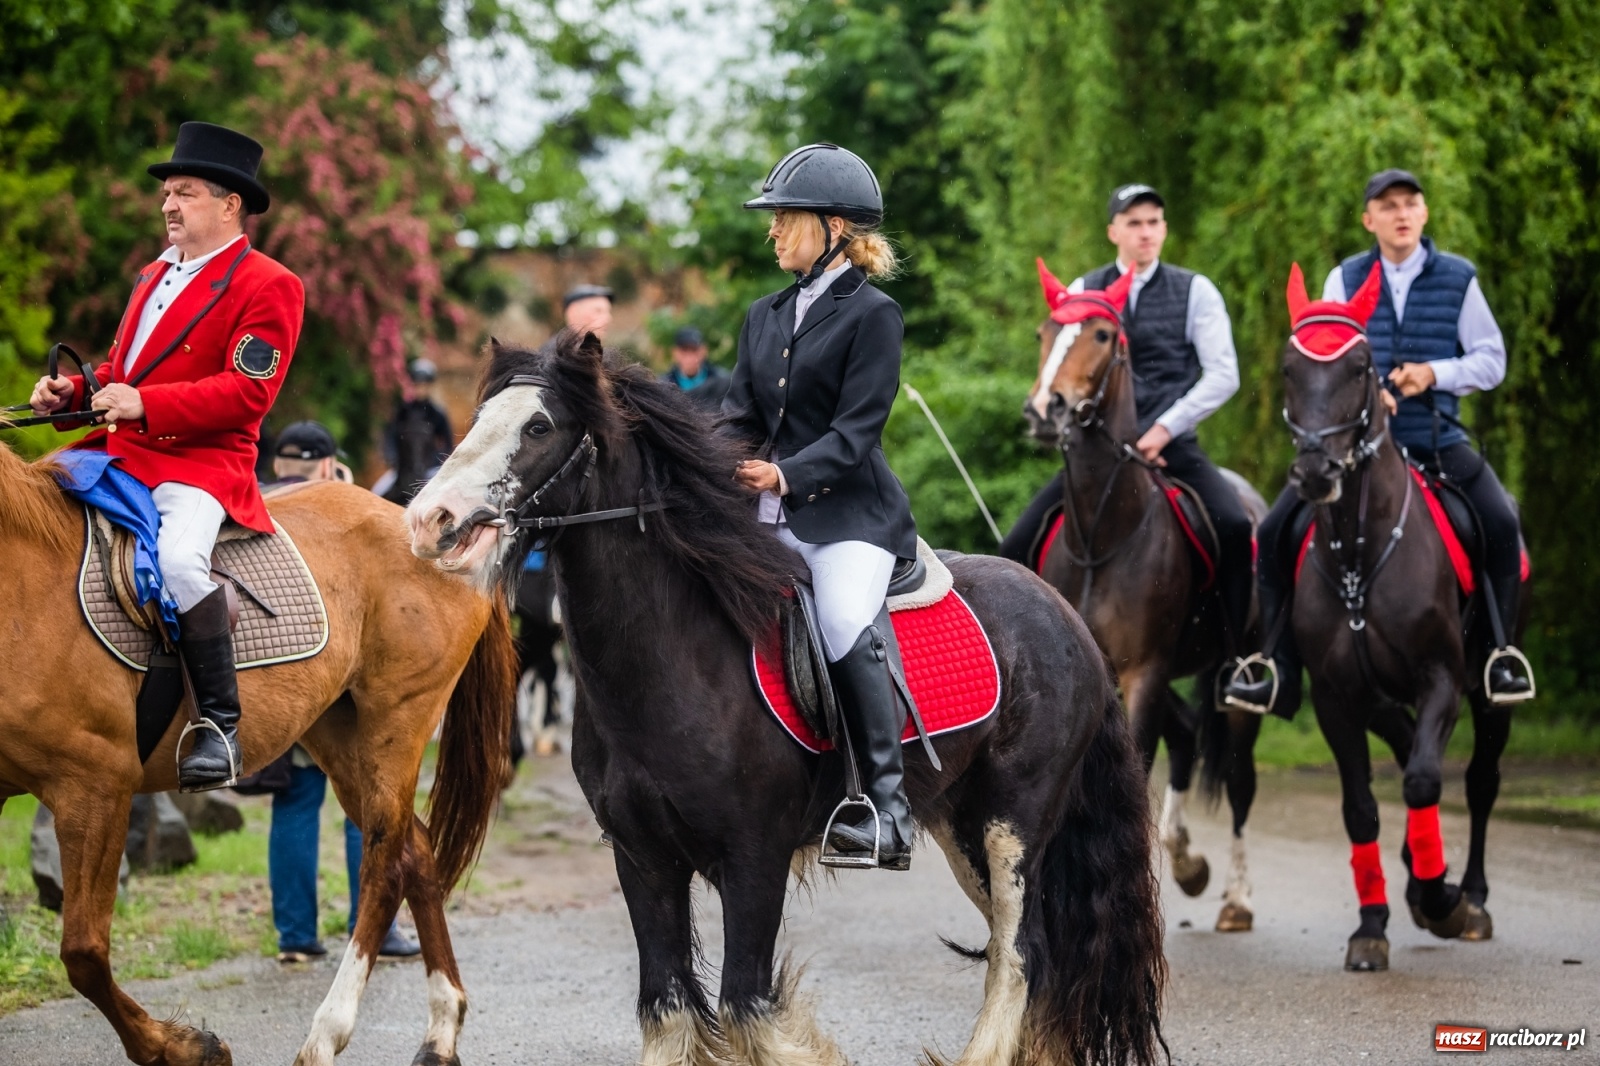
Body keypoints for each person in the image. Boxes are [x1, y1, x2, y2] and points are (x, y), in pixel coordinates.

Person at [29, 121, 304, 791]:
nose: (168, 206)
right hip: (119, 452)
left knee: (181, 563)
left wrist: (147, 406)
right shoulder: (155, 274)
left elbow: (249, 392)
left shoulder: (269, 284)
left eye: (183, 192)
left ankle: (218, 723)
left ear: (228, 203)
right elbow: (126, 369)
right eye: (167, 194)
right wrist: (75, 393)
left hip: (201, 463)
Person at [1225, 169, 1532, 711]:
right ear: (1369, 220)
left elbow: (1492, 360)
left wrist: (1433, 374)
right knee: (1274, 531)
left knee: (1502, 522)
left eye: (1411, 203)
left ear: (1424, 213)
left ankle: (1499, 655)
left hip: (1435, 437)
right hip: (1354, 450)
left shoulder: (1459, 278)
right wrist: (1370, 398)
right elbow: (1327, 358)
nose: (1402, 214)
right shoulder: (1343, 279)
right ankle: (1273, 665)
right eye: (1388, 206)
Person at [725, 143, 919, 870]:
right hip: (763, 513)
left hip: (848, 514)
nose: (772, 232)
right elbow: (737, 415)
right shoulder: (764, 314)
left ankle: (887, 809)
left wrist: (783, 475)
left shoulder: (875, 315)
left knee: (841, 615)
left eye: (785, 219)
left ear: (834, 228)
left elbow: (857, 431)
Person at [997, 184, 1258, 691]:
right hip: (1096, 456)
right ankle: (1014, 667)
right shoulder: (1082, 288)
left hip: (1172, 444)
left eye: (1154, 222)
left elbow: (1224, 374)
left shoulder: (1194, 290)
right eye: (1134, 223)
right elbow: (1058, 364)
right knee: (1016, 542)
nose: (1146, 232)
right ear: (1113, 231)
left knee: (1230, 523)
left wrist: (1164, 428)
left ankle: (1239, 663)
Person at [259, 421, 420, 963]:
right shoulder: (342, 508)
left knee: (296, 803)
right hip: (343, 672)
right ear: (328, 466)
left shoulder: (255, 507)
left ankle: (296, 937)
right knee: (369, 802)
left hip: (284, 681)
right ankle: (374, 927)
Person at [380, 358, 454, 471]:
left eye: (424, 385)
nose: (421, 389)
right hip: (402, 469)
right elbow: (390, 436)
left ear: (430, 386)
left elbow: (447, 444)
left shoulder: (437, 413)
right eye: (418, 385)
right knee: (378, 489)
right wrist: (393, 457)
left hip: (429, 470)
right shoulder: (402, 411)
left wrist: (434, 461)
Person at [661, 326, 730, 410]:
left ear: (704, 350)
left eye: (694, 350)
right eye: (684, 351)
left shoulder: (723, 383)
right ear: (675, 352)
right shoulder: (663, 387)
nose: (689, 357)